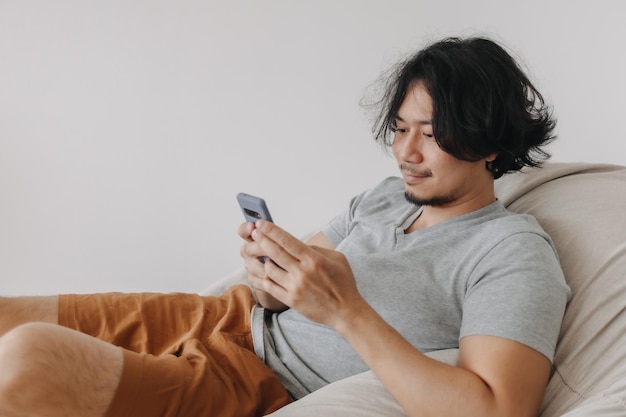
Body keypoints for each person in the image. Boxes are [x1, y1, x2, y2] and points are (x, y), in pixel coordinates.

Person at [0, 36, 570, 417]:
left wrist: (348, 313)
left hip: (264, 381)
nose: (407, 153)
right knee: (7, 317)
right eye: (399, 129)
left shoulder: (511, 251)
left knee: (31, 357)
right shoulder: (383, 198)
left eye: (432, 131)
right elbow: (282, 289)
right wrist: (268, 270)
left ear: (492, 140)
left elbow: (496, 408)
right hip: (228, 317)